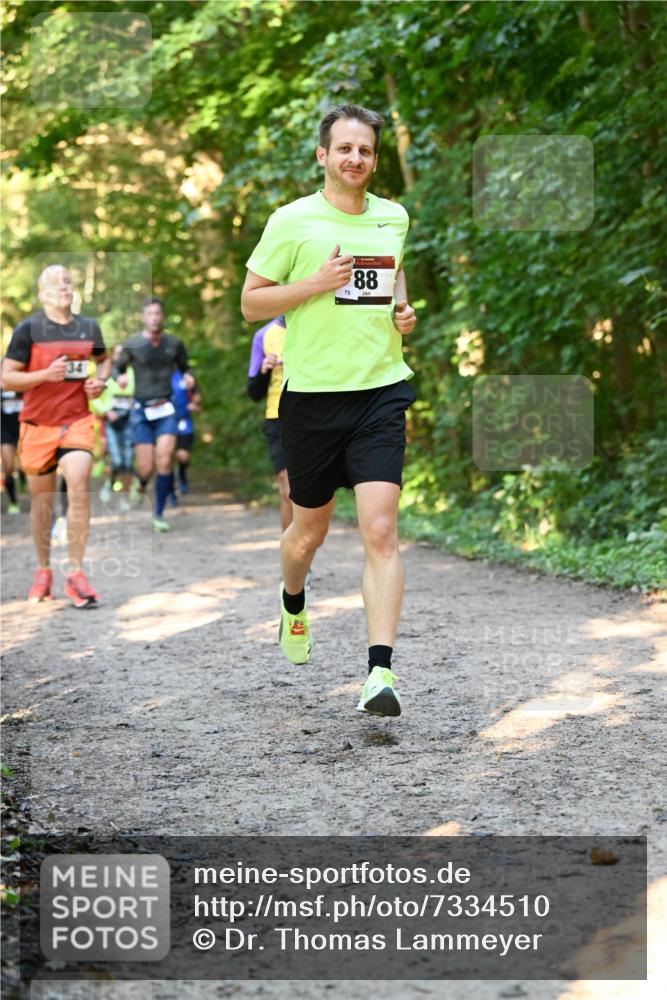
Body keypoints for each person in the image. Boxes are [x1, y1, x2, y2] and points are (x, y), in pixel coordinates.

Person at [241, 103, 417, 718]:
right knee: (307, 533)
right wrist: (315, 284)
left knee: (380, 530)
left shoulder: (393, 217)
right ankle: (292, 600)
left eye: (365, 150)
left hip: (381, 391)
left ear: (374, 158)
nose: (355, 159)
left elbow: (393, 281)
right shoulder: (292, 221)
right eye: (344, 148)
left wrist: (404, 310)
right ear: (323, 156)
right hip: (312, 398)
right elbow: (251, 305)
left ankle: (379, 673)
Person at [1, 264, 109, 605]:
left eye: (68, 280)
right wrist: (45, 374)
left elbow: (104, 360)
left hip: (76, 420)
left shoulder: (88, 327)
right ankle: (44, 570)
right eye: (55, 281)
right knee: (42, 504)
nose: (64, 285)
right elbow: (7, 378)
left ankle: (75, 572)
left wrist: (99, 380)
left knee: (79, 483)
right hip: (37, 425)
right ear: (42, 293)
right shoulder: (28, 329)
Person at [113, 297, 190, 532]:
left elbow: (185, 367)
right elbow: (118, 367)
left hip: (166, 409)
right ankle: (141, 481)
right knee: (146, 466)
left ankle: (158, 513)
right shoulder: (133, 343)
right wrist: (120, 377)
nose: (154, 318)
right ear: (143, 317)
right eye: (150, 314)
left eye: (158, 314)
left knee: (165, 459)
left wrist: (189, 376)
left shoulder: (174, 343)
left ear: (162, 317)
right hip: (141, 411)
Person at [246, 315, 292, 530]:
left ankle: (305, 550)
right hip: (277, 418)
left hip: (313, 416)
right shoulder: (263, 335)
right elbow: (253, 392)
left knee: (316, 495)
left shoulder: (315, 327)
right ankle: (294, 560)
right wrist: (264, 369)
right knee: (289, 492)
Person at [90, 344, 136, 509]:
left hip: (130, 422)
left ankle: (125, 497)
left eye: (123, 353)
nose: (120, 356)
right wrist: (107, 410)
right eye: (117, 353)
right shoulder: (105, 375)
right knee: (116, 461)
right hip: (111, 422)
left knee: (129, 462)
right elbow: (93, 397)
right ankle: (109, 483)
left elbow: (140, 395)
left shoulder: (133, 373)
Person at [169, 366, 201, 501]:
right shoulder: (160, 371)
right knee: (167, 459)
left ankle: (182, 475)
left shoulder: (186, 373)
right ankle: (170, 492)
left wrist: (194, 403)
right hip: (167, 422)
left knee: (183, 456)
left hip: (184, 423)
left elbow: (197, 393)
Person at [1, 378, 23, 515]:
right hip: (5, 432)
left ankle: (23, 477)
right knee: (8, 467)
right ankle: (13, 502)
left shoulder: (26, 382)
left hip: (24, 429)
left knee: (25, 465)